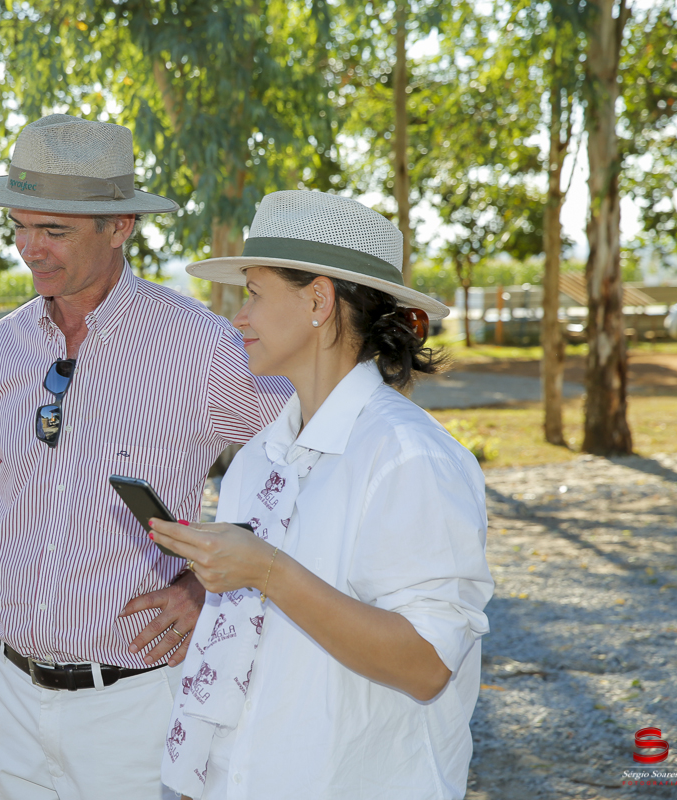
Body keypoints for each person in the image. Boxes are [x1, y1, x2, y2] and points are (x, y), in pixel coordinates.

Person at [0, 114, 292, 800]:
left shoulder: (202, 346)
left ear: (120, 227)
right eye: (18, 225)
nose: (29, 250)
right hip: (7, 696)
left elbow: (308, 464)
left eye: (54, 231)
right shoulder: (4, 348)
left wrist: (216, 578)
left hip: (135, 707)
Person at [150, 190, 494, 800]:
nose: (240, 318)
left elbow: (426, 666)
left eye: (253, 294)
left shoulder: (409, 457)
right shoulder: (258, 458)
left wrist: (268, 571)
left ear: (317, 299)